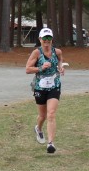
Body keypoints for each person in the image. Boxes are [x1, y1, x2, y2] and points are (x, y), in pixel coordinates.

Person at [26, 26, 65, 154]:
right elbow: (27, 69)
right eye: (44, 38)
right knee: (42, 116)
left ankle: (50, 143)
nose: (47, 40)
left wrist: (61, 68)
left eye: (49, 38)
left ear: (52, 39)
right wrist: (41, 68)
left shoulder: (57, 52)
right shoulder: (36, 53)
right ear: (40, 39)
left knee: (51, 114)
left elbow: (60, 61)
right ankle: (38, 128)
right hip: (40, 87)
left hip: (54, 86)